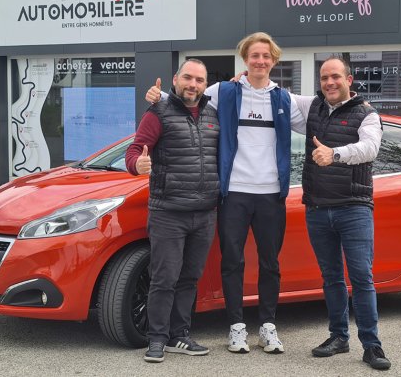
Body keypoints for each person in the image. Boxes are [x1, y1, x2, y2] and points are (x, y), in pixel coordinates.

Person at [146, 32, 307, 354]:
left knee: (270, 263)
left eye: (266, 56)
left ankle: (268, 327)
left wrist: (357, 102)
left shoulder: (285, 99)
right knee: (232, 262)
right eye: (254, 55)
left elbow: (324, 112)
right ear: (245, 59)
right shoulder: (223, 91)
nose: (260, 61)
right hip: (233, 193)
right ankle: (236, 328)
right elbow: (188, 101)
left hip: (272, 194)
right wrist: (158, 96)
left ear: (274, 61)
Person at [296, 56, 391, 370]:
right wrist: (243, 80)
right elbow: (276, 96)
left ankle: (372, 345)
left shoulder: (367, 114)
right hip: (317, 208)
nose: (329, 83)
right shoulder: (313, 107)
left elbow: (370, 149)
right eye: (324, 78)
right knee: (332, 277)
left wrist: (334, 154)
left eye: (335, 76)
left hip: (353, 208)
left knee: (362, 277)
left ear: (349, 80)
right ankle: (338, 337)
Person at [125, 59, 220, 363]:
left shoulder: (213, 114)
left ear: (206, 85)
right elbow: (134, 150)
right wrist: (137, 164)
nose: (193, 84)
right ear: (175, 79)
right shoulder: (158, 112)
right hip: (169, 212)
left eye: (199, 80)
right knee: (164, 278)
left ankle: (180, 335)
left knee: (190, 278)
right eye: (188, 78)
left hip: (205, 212)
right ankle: (156, 339)